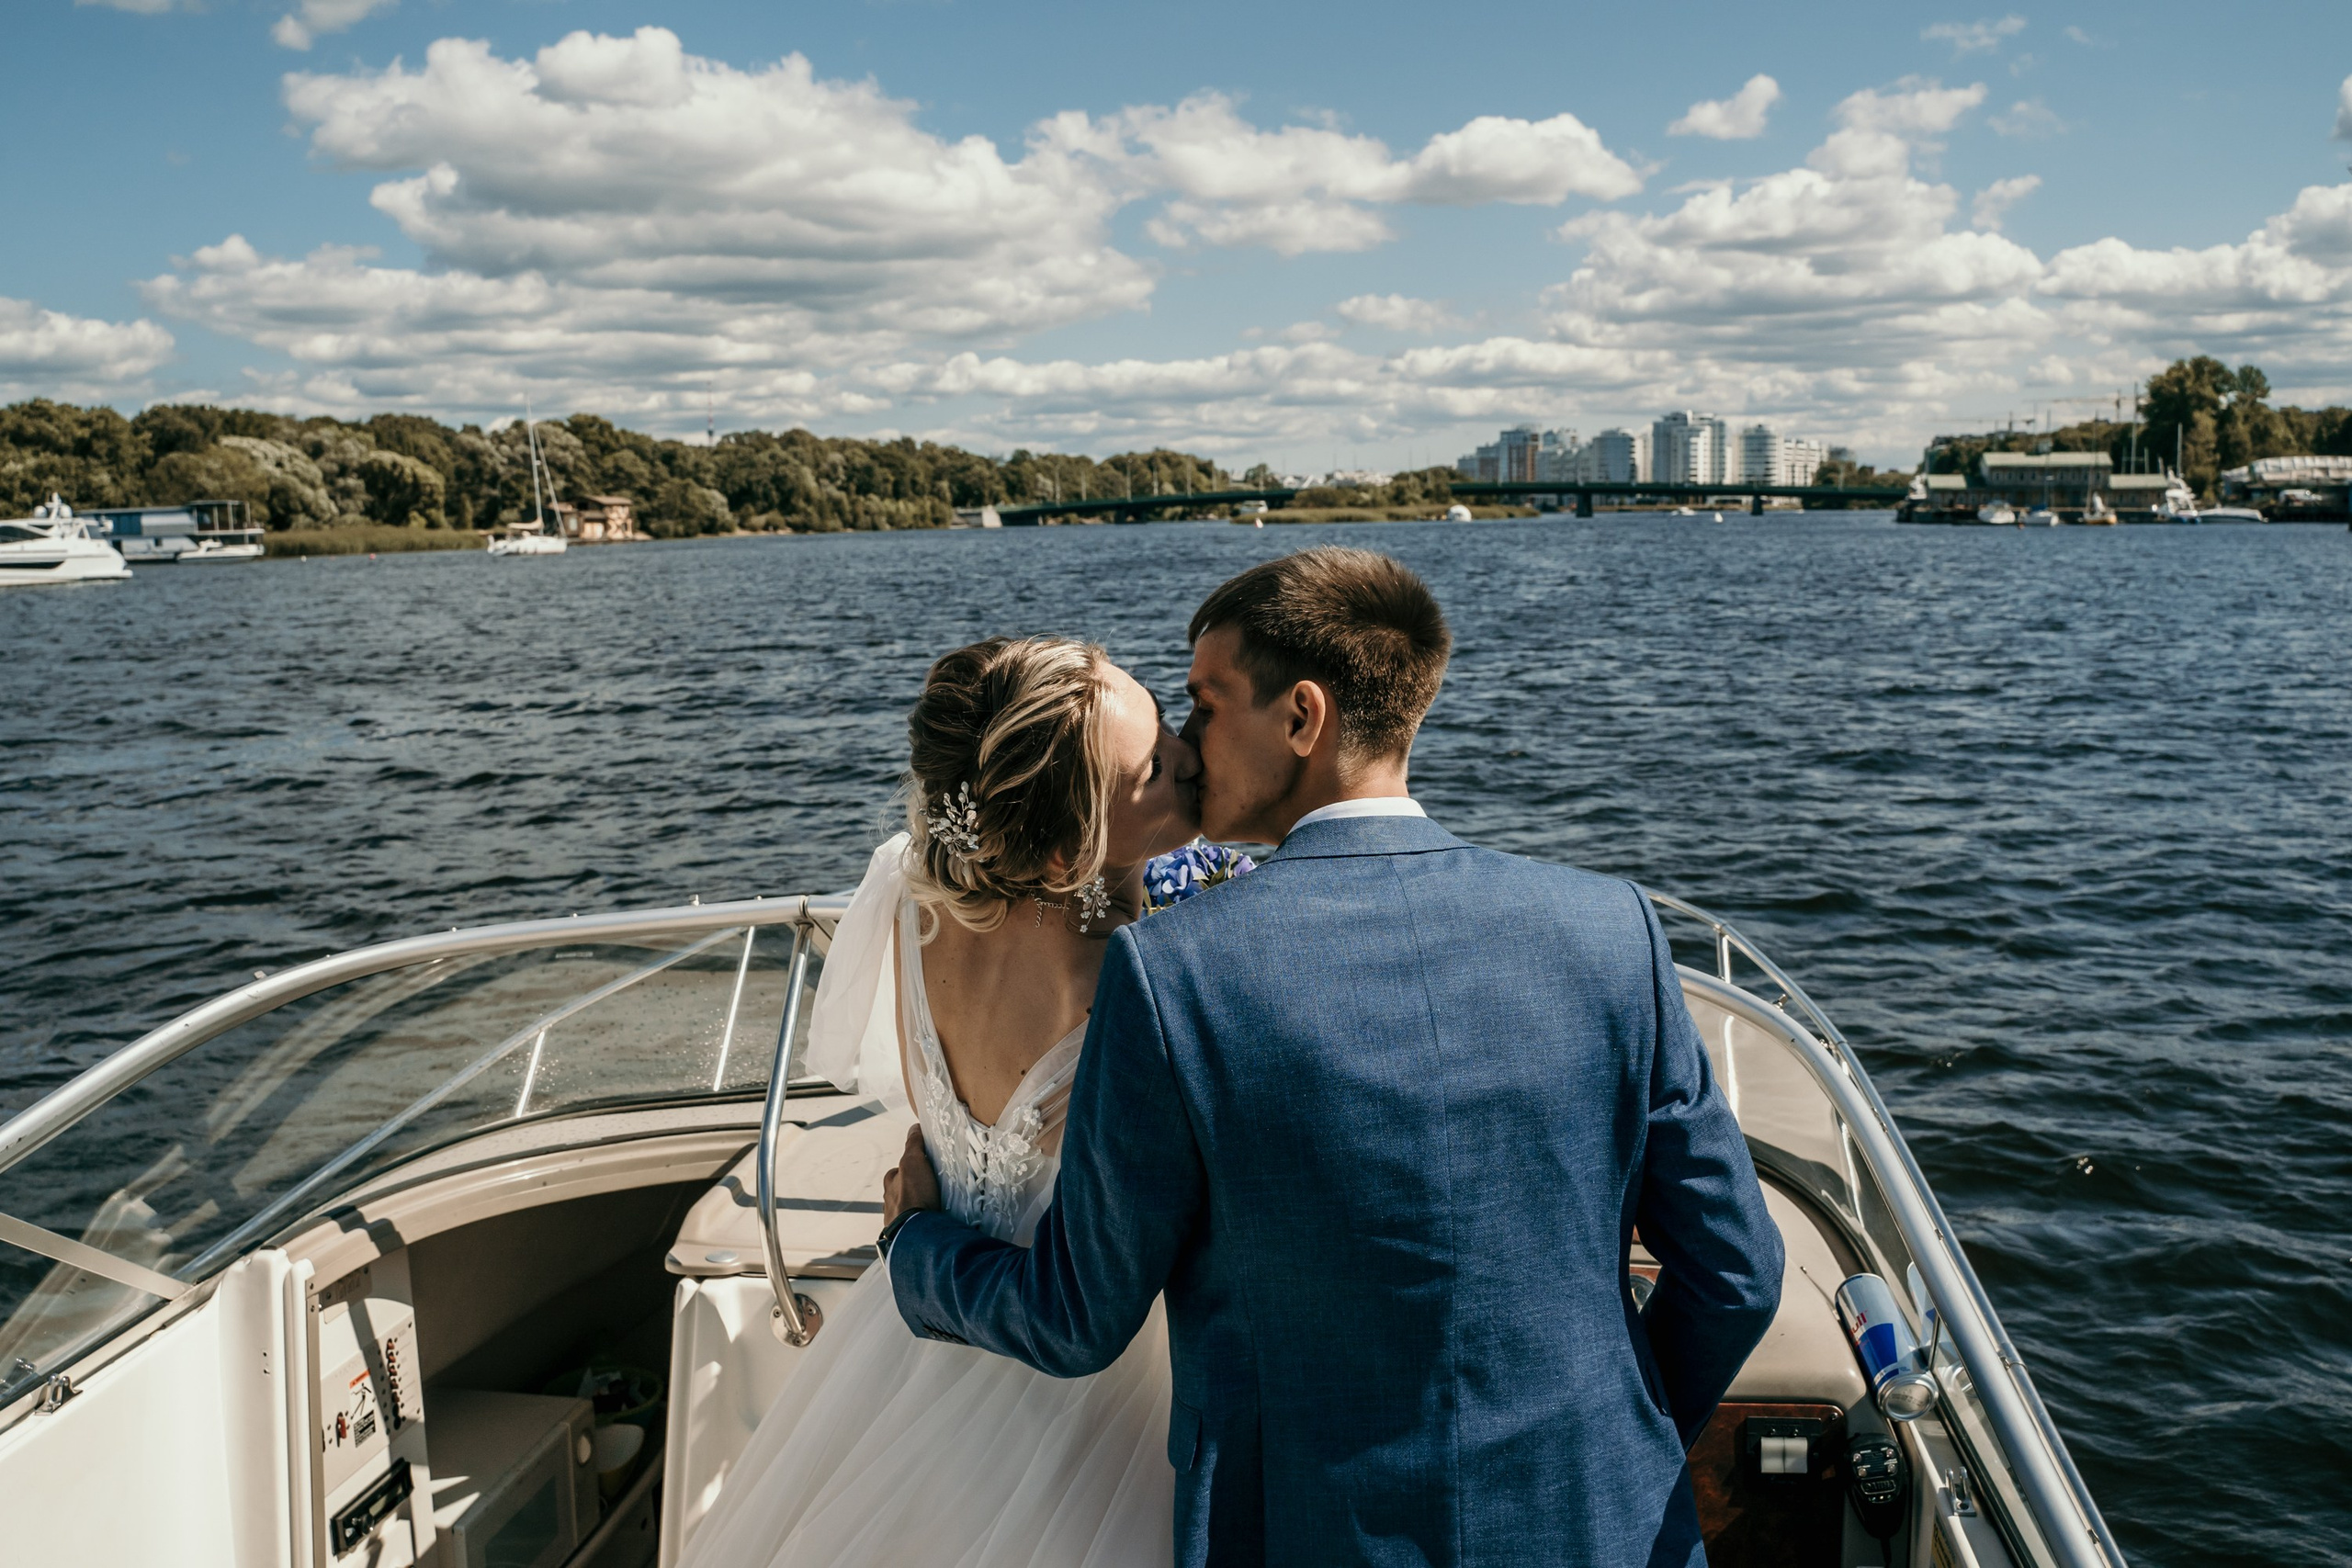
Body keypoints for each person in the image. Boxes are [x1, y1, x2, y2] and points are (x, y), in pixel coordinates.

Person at [884, 547, 1785, 1568]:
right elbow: (1737, 1274)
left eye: (1205, 704)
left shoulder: (1176, 976)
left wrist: (916, 1249)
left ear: (1302, 718)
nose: (1186, 743)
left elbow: (1078, 1317)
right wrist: (1612, 1438)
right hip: (1605, 1523)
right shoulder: (1611, 930)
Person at [677, 635, 1200, 1568]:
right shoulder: (1134, 979)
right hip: (1095, 1376)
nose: (1191, 758)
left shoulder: (911, 893)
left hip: (920, 1326)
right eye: (1154, 767)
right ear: (1058, 851)